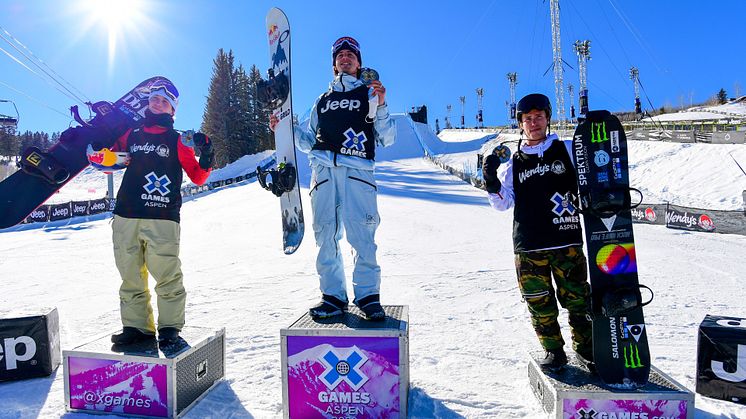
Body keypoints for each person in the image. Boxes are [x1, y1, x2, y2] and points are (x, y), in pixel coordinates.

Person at [273, 36, 395, 321]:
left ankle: (368, 296)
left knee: (362, 236)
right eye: (340, 55)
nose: (345, 58)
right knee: (325, 235)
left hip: (358, 174)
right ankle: (332, 297)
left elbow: (387, 137)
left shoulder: (369, 95)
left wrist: (383, 104)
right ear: (334, 64)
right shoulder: (323, 101)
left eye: (350, 55)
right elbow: (307, 140)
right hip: (324, 173)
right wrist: (284, 126)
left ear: (359, 63)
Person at [482, 93, 593, 371]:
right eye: (527, 119)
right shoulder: (513, 163)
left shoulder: (566, 149)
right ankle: (554, 351)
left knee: (578, 300)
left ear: (547, 119)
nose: (533, 123)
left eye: (538, 117)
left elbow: (591, 175)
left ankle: (587, 349)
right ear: (520, 124)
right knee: (539, 304)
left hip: (565, 240)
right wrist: (491, 180)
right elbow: (502, 203)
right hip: (529, 246)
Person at [108, 79, 214, 347]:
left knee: (167, 276)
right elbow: (109, 162)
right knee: (130, 276)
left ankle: (169, 328)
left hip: (163, 217)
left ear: (172, 110)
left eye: (164, 101)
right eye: (155, 99)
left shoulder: (178, 140)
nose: (158, 103)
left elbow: (198, 177)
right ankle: (137, 328)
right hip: (126, 215)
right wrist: (100, 145)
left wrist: (208, 153)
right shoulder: (131, 135)